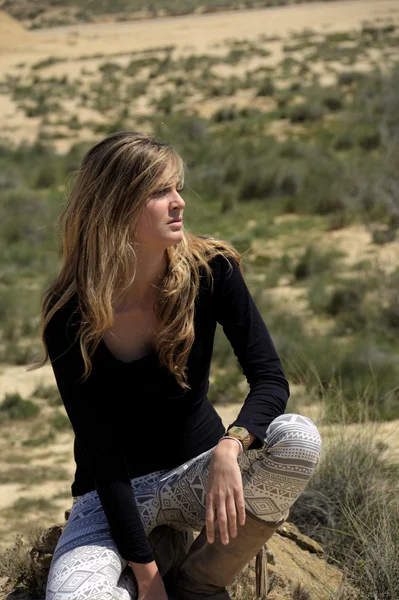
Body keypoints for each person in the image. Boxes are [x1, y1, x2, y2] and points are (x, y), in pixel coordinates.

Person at [30, 131, 322, 600]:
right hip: (112, 499)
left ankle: (198, 583)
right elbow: (102, 452)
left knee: (300, 439)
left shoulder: (213, 270)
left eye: (178, 187)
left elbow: (270, 378)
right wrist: (146, 579)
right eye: (160, 192)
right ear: (116, 206)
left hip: (202, 476)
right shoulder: (70, 313)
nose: (179, 202)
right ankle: (156, 568)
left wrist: (233, 443)